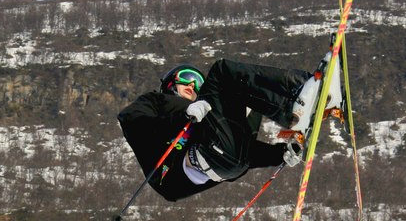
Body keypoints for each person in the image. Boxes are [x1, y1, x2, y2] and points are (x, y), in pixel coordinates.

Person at [117, 55, 341, 203]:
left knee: (245, 96)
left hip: (231, 158)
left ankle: (299, 111)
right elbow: (130, 119)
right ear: (170, 84)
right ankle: (302, 88)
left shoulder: (203, 111)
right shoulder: (158, 101)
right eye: (187, 78)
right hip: (198, 159)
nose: (193, 85)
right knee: (221, 71)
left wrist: (280, 154)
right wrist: (182, 116)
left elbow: (242, 150)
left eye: (198, 82)